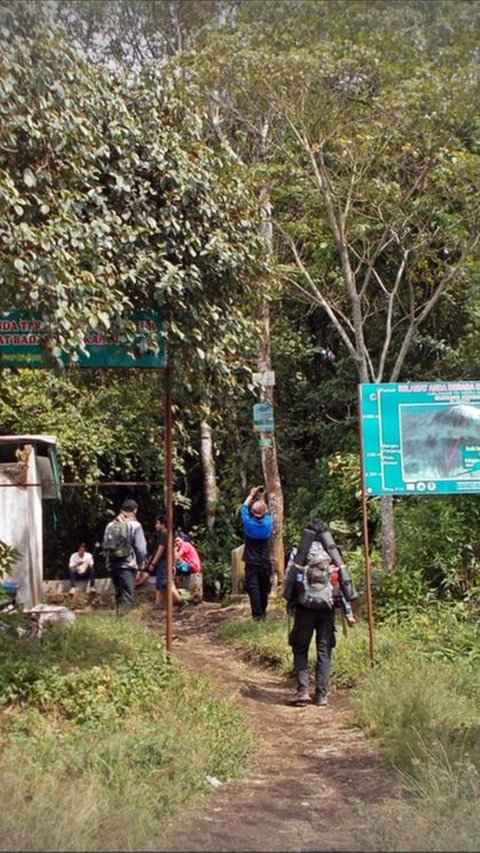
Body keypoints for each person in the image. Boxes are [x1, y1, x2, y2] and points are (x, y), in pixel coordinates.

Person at [283, 518, 357, 707]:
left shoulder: (299, 553)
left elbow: (289, 579)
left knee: (300, 648)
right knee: (324, 651)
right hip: (327, 609)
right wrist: (348, 613)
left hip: (304, 609)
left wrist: (289, 603)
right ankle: (322, 695)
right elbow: (342, 583)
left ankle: (302, 691)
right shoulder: (333, 554)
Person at [102, 498, 147, 615]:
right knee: (128, 595)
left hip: (112, 564)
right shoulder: (135, 525)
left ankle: (118, 621)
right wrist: (141, 566)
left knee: (118, 593)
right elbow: (141, 549)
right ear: (135, 511)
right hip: (127, 565)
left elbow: (106, 545)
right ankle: (125, 623)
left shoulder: (110, 525)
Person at [240, 485, 273, 620]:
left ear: (252, 513)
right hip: (264, 560)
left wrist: (251, 495)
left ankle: (257, 615)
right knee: (264, 587)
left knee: (253, 588)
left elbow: (243, 508)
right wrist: (262, 498)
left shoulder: (248, 523)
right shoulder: (268, 523)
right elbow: (266, 512)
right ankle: (263, 613)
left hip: (251, 560)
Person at [148, 517, 186, 610]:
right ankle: (157, 604)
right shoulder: (169, 534)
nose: (156, 526)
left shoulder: (164, 534)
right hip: (166, 562)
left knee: (165, 584)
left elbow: (160, 549)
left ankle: (181, 601)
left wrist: (153, 563)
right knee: (161, 584)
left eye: (157, 523)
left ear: (163, 524)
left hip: (163, 563)